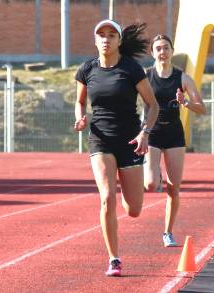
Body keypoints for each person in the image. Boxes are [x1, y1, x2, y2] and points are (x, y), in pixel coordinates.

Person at [74, 19, 159, 277]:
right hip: (100, 138)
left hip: (130, 139)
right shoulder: (86, 69)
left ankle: (126, 189)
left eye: (112, 35)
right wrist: (80, 117)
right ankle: (114, 259)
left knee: (134, 210)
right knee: (106, 198)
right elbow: (79, 101)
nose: (106, 39)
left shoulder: (131, 69)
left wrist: (145, 132)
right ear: (95, 40)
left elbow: (152, 105)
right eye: (101, 34)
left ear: (119, 41)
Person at [143, 34, 206, 247]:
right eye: (158, 48)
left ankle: (168, 232)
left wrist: (186, 102)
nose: (162, 52)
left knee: (174, 189)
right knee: (151, 184)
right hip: (152, 133)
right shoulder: (145, 76)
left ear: (171, 51)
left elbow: (202, 108)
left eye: (166, 48)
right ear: (153, 52)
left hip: (174, 137)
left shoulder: (183, 78)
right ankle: (155, 172)